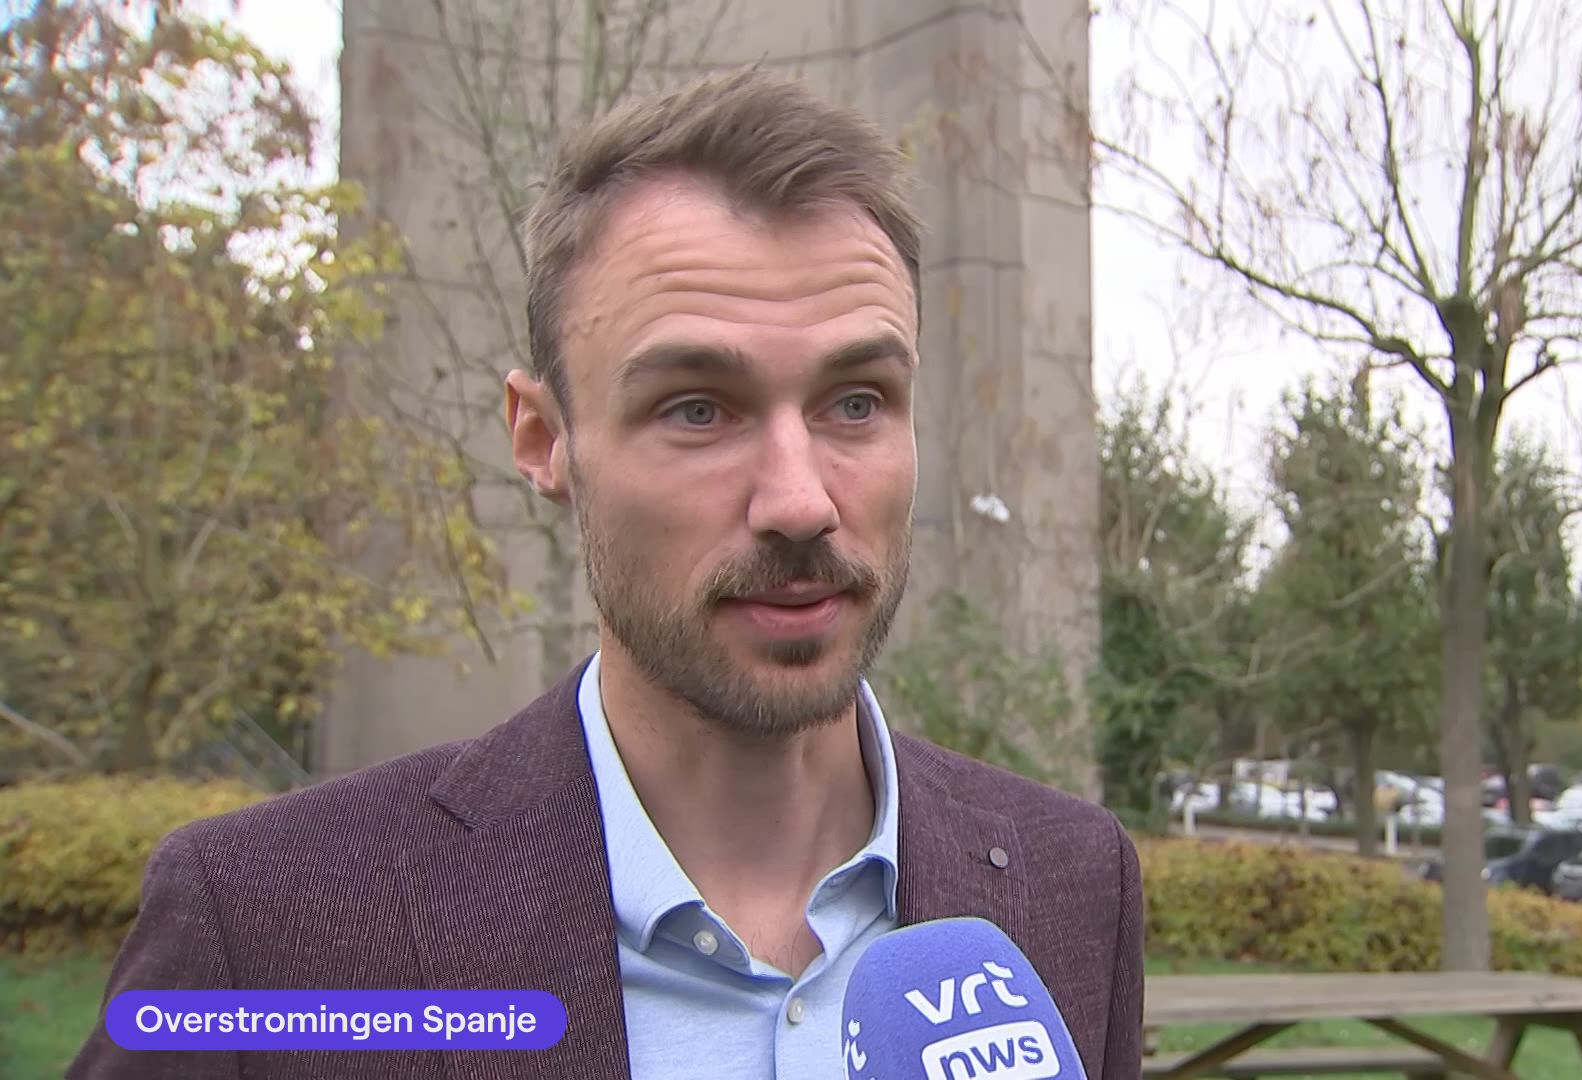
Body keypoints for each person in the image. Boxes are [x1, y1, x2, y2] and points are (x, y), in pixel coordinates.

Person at [70, 68, 1143, 1079]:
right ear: (544, 440)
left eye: (856, 401)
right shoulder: (265, 933)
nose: (800, 500)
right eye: (698, 409)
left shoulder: (1075, 884)